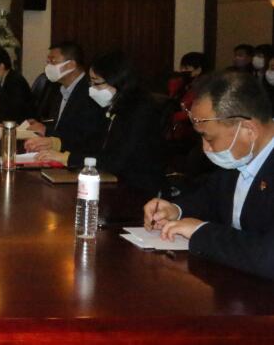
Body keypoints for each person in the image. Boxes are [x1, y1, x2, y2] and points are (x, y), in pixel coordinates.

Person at [144, 71, 274, 280]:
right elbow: (211, 197)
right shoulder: (241, 154)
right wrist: (176, 210)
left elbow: (269, 257)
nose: (205, 148)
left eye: (210, 138)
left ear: (248, 129)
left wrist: (201, 232)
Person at [36, 50, 166, 197]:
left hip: (136, 188)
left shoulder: (140, 111)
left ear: (118, 81)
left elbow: (116, 161)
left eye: (97, 83)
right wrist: (57, 146)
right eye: (90, 83)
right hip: (112, 181)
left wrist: (68, 158)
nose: (92, 89)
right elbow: (92, 142)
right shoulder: (112, 105)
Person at [24, 41, 107, 160]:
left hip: (77, 160)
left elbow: (85, 137)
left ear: (70, 65)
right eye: (47, 62)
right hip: (55, 155)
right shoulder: (59, 89)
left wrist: (47, 132)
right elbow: (61, 126)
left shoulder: (92, 92)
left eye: (53, 61)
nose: (48, 67)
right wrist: (43, 127)